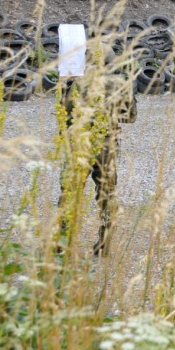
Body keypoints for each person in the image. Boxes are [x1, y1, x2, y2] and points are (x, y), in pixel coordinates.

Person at [57, 43, 137, 257]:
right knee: (106, 195)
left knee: (70, 192)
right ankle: (104, 243)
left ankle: (62, 242)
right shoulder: (120, 84)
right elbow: (130, 116)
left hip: (79, 144)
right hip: (106, 145)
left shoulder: (78, 83)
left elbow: (66, 113)